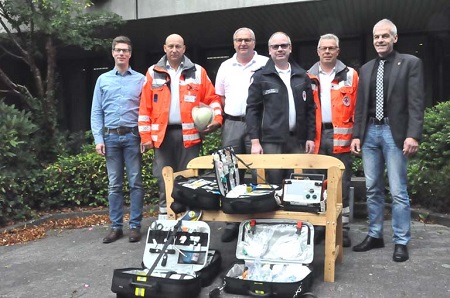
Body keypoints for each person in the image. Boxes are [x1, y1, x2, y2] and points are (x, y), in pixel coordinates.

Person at [350, 19, 425, 262]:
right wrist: (357, 135)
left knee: (398, 190)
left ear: (395, 38)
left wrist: (413, 135)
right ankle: (375, 235)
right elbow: (361, 106)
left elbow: (416, 103)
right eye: (376, 37)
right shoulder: (366, 68)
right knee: (373, 189)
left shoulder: (411, 63)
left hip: (396, 134)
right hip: (370, 132)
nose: (380, 40)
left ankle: (401, 241)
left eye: (384, 36)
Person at [138, 34, 223, 220]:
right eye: (171, 46)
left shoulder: (197, 71)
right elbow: (145, 107)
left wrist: (217, 119)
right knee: (164, 178)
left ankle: (189, 218)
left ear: (184, 48)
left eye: (178, 46)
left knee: (190, 178)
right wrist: (145, 138)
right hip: (162, 136)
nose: (174, 49)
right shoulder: (153, 72)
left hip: (190, 136)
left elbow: (212, 99)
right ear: (164, 48)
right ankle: (165, 217)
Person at [214, 27, 269, 242]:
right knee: (230, 174)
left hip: (259, 126)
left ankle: (259, 220)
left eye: (247, 40)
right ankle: (233, 222)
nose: (243, 43)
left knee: (259, 173)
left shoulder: (265, 63)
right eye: (239, 40)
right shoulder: (225, 66)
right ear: (234, 43)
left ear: (254, 43)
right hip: (232, 124)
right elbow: (219, 96)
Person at [90, 36, 145, 243]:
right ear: (113, 53)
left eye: (125, 50)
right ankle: (115, 227)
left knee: (136, 183)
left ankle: (134, 226)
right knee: (114, 185)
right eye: (118, 50)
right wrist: (98, 139)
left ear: (130, 54)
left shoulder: (141, 79)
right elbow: (96, 112)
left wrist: (145, 136)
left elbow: (146, 111)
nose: (121, 53)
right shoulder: (102, 80)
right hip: (111, 137)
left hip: (133, 136)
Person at [307, 33, 359, 247]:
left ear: (338, 51)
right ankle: (319, 228)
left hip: (342, 138)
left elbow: (358, 107)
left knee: (341, 185)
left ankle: (342, 229)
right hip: (317, 137)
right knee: (316, 184)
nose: (327, 51)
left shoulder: (351, 75)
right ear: (318, 51)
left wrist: (357, 135)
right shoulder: (307, 76)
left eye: (331, 48)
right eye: (323, 48)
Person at [246, 31, 316, 185]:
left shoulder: (302, 76)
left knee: (297, 184)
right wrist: (255, 142)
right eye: (275, 46)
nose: (279, 49)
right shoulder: (261, 77)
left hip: (298, 140)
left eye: (283, 45)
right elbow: (252, 111)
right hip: (271, 141)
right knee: (273, 182)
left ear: (290, 48)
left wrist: (310, 137)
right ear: (269, 50)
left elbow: (310, 109)